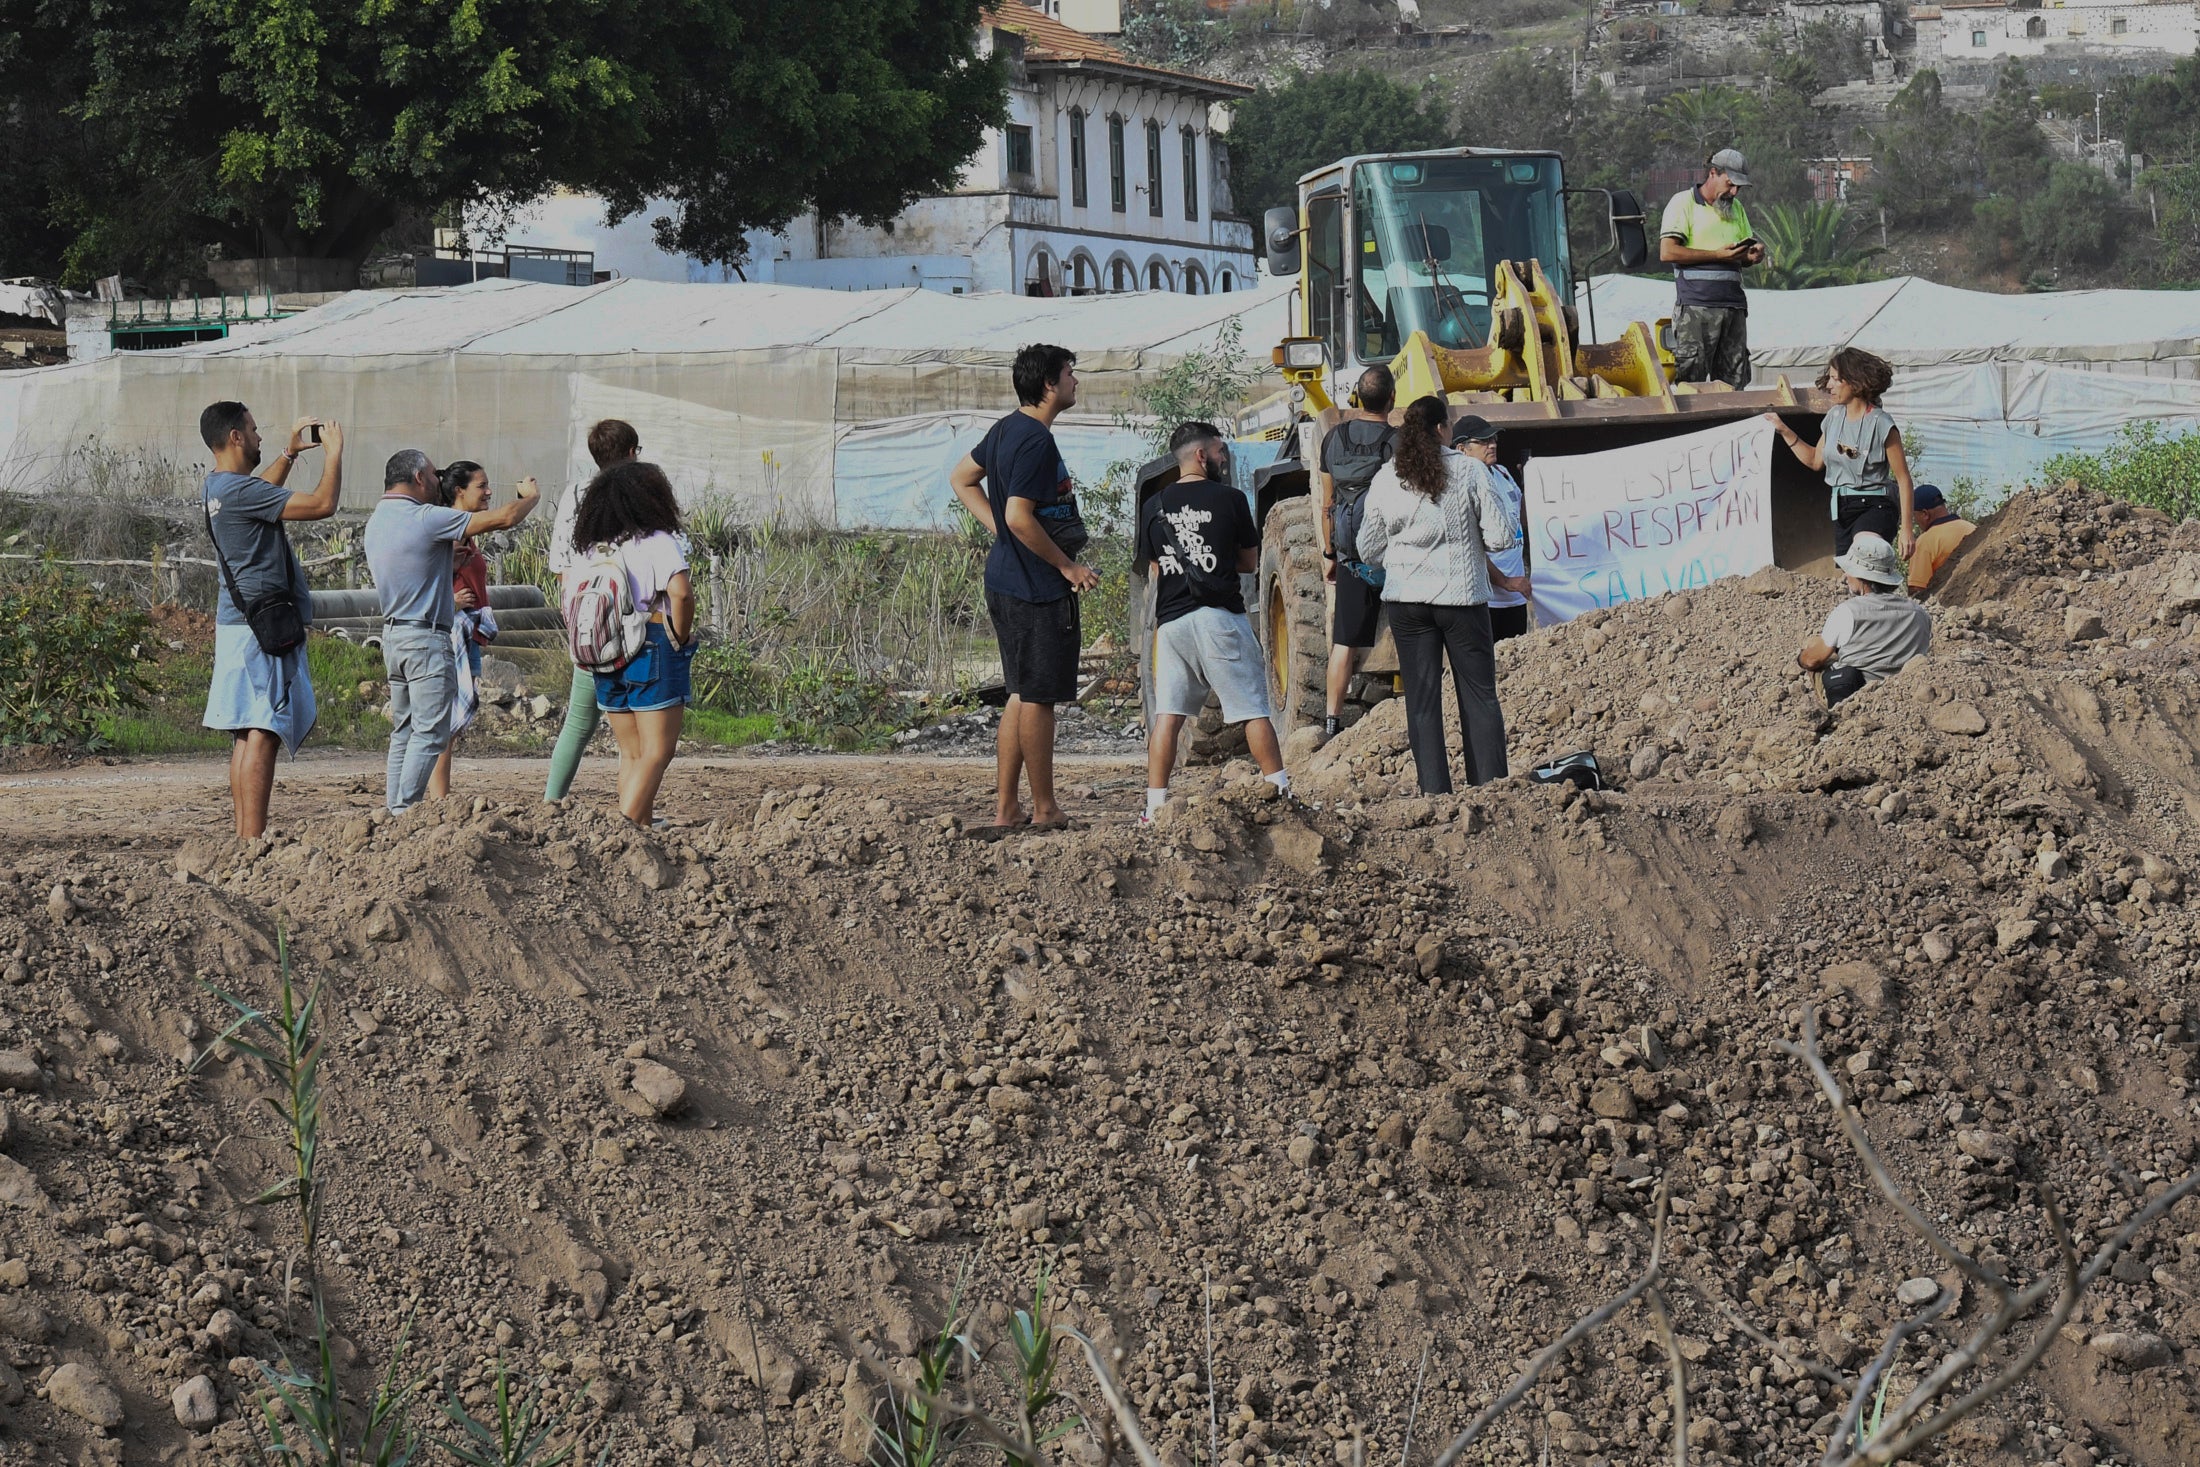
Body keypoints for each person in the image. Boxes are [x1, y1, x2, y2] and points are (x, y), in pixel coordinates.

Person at [948, 343, 1102, 832]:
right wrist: (1067, 567)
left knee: (1019, 692)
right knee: (1037, 698)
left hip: (1005, 581)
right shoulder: (1034, 439)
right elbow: (1018, 514)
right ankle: (1045, 808)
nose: (1076, 381)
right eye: (1069, 374)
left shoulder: (1004, 429)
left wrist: (999, 530)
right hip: (1035, 589)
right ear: (1049, 385)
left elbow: (962, 478)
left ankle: (1006, 810)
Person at [1357, 396, 1529, 794]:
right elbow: (1502, 536)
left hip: (1406, 603)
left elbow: (1368, 549)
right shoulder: (1470, 471)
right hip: (1462, 600)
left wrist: (1404, 559)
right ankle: (1491, 790)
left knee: (1421, 702)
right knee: (1479, 696)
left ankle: (1434, 795)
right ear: (1441, 430)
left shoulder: (1387, 477)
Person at [198, 401, 344, 838]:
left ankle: (246, 838)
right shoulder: (242, 492)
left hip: (239, 623)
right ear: (236, 437)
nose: (260, 438)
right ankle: (253, 840)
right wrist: (334, 452)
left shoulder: (218, 488)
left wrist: (290, 453)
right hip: (261, 630)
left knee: (247, 732)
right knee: (264, 730)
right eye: (255, 430)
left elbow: (260, 495)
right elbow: (322, 505)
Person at [366, 449, 539, 816]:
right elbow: (505, 519)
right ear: (417, 478)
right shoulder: (425, 517)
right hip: (425, 638)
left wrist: (448, 562)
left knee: (404, 731)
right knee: (431, 732)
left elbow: (413, 566)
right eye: (431, 475)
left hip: (394, 635)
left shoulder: (379, 518)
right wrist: (531, 498)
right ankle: (404, 811)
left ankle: (393, 810)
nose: (436, 481)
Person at [1136, 421, 1290, 824]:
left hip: (1170, 627)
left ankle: (1154, 808)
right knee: (1254, 711)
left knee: (1168, 716)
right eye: (1221, 451)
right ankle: (1280, 790)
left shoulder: (1153, 507)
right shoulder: (1231, 499)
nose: (1224, 459)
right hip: (1218, 619)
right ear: (1202, 455)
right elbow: (1249, 563)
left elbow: (1155, 567)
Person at [572, 460, 695, 828]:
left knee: (631, 752)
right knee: (658, 750)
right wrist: (681, 635)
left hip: (606, 651)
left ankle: (636, 827)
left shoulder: (594, 549)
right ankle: (625, 831)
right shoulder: (658, 542)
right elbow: (681, 594)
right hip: (653, 641)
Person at [545, 419, 640, 802]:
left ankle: (551, 803)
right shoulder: (637, 493)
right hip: (631, 623)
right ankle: (634, 812)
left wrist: (579, 616)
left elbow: (561, 568)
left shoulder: (575, 494)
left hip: (588, 621)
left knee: (578, 724)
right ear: (632, 452)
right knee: (634, 733)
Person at [1764, 346, 1916, 560]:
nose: (1829, 385)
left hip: (1876, 506)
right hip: (1841, 509)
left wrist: (1907, 530)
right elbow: (1815, 461)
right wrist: (1784, 431)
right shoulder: (1833, 417)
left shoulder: (1882, 423)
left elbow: (1903, 479)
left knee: (1863, 554)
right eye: (1829, 379)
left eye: (1835, 379)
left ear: (1855, 382)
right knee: (1851, 578)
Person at [1317, 364, 1398, 740]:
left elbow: (1328, 502)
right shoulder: (1397, 442)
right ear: (1392, 400)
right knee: (1413, 633)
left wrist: (1331, 554)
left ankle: (1331, 722)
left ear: (1357, 398)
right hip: (1393, 555)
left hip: (1351, 557)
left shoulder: (1333, 439)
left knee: (1343, 644)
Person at [1659, 148, 1765, 391]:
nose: (1734, 192)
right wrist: (1717, 254)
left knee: (1734, 384)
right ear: (1713, 173)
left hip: (1733, 308)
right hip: (1697, 308)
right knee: (1691, 384)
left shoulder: (1736, 209)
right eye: (1730, 184)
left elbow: (1740, 258)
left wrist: (1751, 255)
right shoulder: (1683, 203)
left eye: (1738, 187)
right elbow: (1667, 252)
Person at [427, 462, 501, 802]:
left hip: (467, 633)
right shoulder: (451, 531)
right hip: (454, 631)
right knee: (445, 724)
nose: (487, 492)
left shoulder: (463, 531)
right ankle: (439, 800)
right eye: (481, 486)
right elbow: (422, 578)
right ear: (459, 491)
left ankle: (439, 797)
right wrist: (450, 600)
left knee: (448, 725)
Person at [1796, 532, 1932, 706]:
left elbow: (1812, 660)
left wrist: (1801, 657)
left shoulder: (1847, 612)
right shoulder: (1919, 613)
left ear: (1861, 576)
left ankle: (1835, 714)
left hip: (1860, 702)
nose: (1846, 575)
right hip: (1909, 698)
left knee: (1815, 649)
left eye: (1849, 570)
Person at [1452, 415, 1530, 640]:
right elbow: (1469, 546)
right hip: (1486, 600)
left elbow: (1521, 520)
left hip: (1515, 596)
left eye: (1493, 439)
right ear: (1462, 448)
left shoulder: (1503, 473)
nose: (1493, 444)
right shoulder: (1461, 486)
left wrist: (1529, 484)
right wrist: (1505, 582)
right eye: (1483, 441)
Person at [1906, 484, 1975, 597]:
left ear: (1925, 514)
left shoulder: (1925, 542)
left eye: (1915, 516)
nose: (1915, 521)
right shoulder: (1972, 528)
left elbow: (1917, 590)